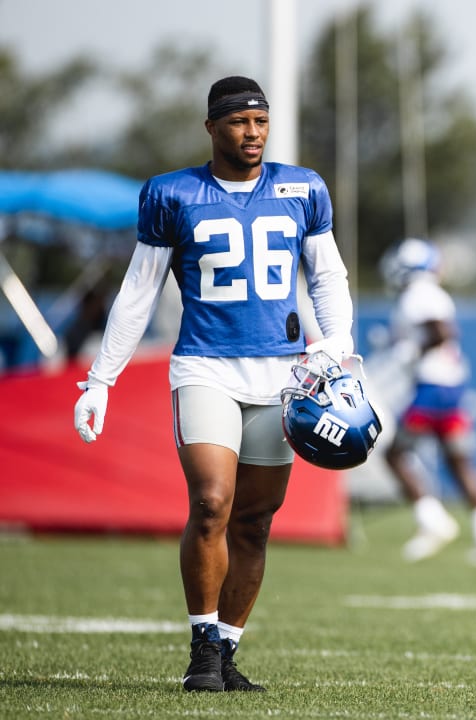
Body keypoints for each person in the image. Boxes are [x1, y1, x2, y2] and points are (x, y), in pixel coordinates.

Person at [72, 76, 356, 693]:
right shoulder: (173, 193)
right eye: (238, 122)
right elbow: (139, 290)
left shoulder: (301, 187)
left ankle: (228, 652)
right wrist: (101, 379)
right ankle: (202, 649)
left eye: (260, 122)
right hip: (205, 366)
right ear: (211, 127)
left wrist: (336, 344)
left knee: (255, 521)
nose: (252, 133)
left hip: (284, 374)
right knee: (211, 503)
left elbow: (327, 276)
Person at [379, 238, 476, 565]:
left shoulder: (418, 296)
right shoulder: (432, 294)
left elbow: (441, 332)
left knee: (395, 452)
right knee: (458, 461)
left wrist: (411, 350)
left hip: (432, 387)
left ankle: (433, 520)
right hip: (450, 385)